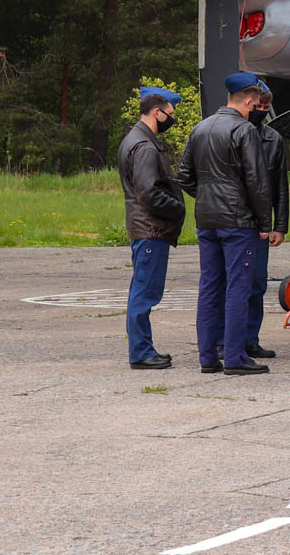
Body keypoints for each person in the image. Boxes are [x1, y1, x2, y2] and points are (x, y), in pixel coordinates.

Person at [176, 72, 277, 376]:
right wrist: (264, 222)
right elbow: (258, 182)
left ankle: (208, 357)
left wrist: (206, 195)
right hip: (237, 221)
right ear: (248, 101)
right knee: (237, 287)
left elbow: (184, 177)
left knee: (209, 286)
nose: (254, 110)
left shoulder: (200, 128)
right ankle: (234, 356)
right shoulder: (244, 131)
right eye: (255, 105)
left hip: (207, 219)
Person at [118, 86, 187, 370]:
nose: (172, 120)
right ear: (156, 112)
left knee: (143, 290)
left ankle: (143, 348)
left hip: (146, 228)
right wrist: (177, 208)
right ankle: (141, 352)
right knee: (145, 292)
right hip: (151, 229)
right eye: (170, 114)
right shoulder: (145, 146)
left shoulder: (135, 139)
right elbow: (147, 192)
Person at [235, 89, 288, 362]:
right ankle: (226, 340)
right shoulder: (230, 132)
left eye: (267, 106)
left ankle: (250, 339)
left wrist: (280, 225)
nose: (263, 110)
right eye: (259, 105)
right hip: (233, 220)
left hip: (261, 225)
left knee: (256, 284)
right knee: (232, 284)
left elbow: (280, 185)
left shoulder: (273, 139)